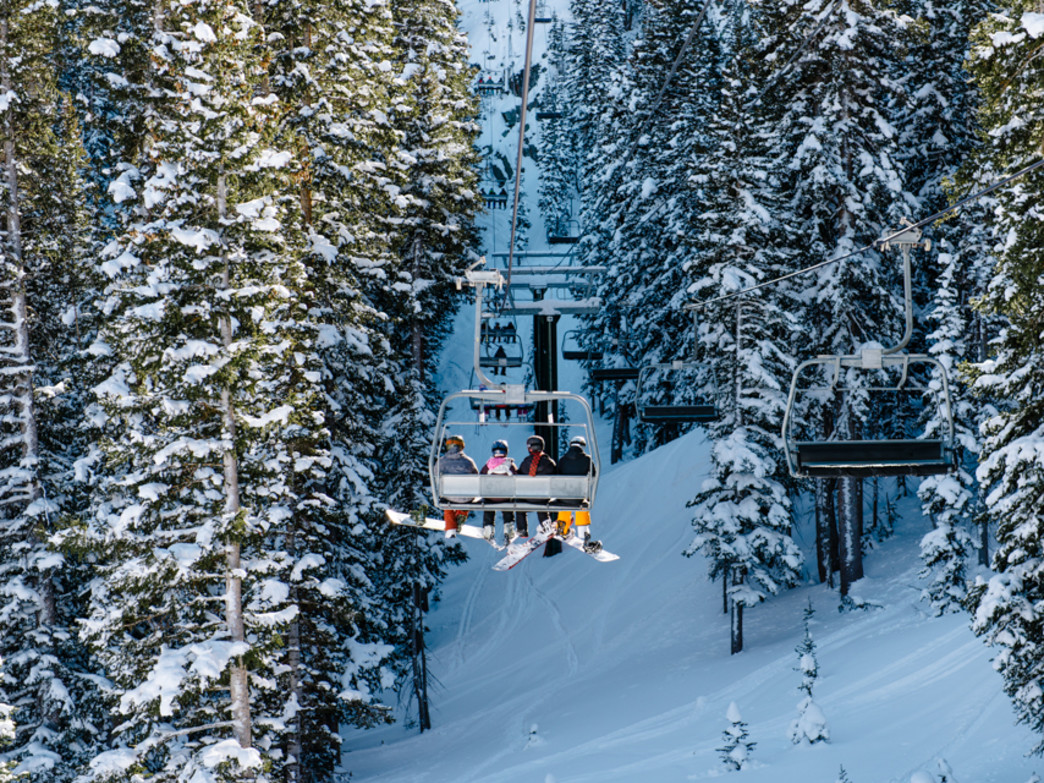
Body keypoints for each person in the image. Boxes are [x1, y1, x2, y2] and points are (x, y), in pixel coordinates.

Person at [555, 435, 602, 553]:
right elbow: (593, 476)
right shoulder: (587, 459)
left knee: (565, 505)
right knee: (582, 505)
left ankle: (562, 529)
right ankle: (583, 533)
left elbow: (557, 476)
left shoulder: (562, 459)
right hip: (579, 497)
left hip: (564, 498)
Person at [434, 434, 478, 538]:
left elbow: (436, 477)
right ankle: (462, 513)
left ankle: (450, 529)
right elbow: (476, 478)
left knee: (447, 506)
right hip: (466, 498)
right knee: (465, 497)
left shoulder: (441, 461)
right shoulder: (468, 462)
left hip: (449, 496)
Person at [516, 434, 556, 537]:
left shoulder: (525, 463)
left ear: (530, 448)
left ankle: (522, 529)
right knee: (541, 503)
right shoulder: (549, 463)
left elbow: (518, 478)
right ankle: (545, 524)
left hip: (528, 498)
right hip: (544, 497)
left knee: (519, 505)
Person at [480, 439, 518, 544]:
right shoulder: (510, 464)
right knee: (508, 505)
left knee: (488, 505)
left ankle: (488, 527)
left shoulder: (488, 464)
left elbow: (481, 477)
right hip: (506, 496)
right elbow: (517, 478)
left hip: (491, 497)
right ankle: (508, 527)